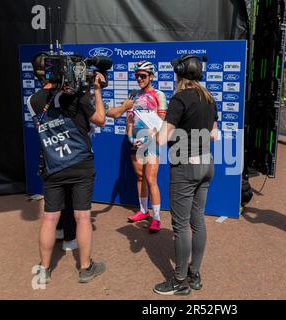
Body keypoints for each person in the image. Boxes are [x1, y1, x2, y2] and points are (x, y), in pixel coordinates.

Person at [28, 52, 133, 284]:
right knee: (83, 217)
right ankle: (85, 268)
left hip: (53, 165)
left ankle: (44, 270)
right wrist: (96, 90)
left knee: (49, 218)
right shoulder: (74, 97)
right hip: (80, 163)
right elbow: (100, 119)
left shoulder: (33, 101)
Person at [153, 55, 218, 295]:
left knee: (181, 225)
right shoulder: (209, 99)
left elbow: (162, 138)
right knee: (197, 220)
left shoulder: (179, 98)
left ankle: (179, 281)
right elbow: (214, 134)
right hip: (207, 164)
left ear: (180, 73)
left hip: (185, 166)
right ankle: (194, 274)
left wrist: (156, 129)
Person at [125, 61, 167, 232]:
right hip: (136, 141)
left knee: (151, 179)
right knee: (140, 177)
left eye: (143, 76)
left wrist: (149, 136)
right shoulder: (133, 94)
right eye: (137, 76)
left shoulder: (159, 94)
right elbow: (129, 119)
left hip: (151, 142)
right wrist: (129, 136)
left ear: (151, 76)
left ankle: (156, 218)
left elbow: (162, 121)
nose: (139, 79)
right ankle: (143, 211)